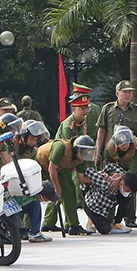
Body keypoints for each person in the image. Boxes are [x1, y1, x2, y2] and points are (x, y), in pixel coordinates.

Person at [96, 81, 137, 228]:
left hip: (135, 154)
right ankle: (112, 219)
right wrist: (97, 152)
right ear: (117, 93)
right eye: (124, 92)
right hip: (114, 154)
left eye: (130, 92)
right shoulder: (107, 109)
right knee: (113, 183)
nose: (128, 94)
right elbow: (101, 131)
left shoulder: (136, 110)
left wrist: (136, 143)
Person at [42, 94, 92, 233]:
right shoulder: (67, 126)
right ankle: (72, 224)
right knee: (66, 191)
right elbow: (69, 149)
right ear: (74, 108)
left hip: (69, 162)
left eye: (86, 108)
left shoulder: (82, 122)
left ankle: (48, 222)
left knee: (59, 191)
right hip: (60, 162)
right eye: (81, 108)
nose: (85, 111)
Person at [36, 134, 98, 236]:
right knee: (65, 193)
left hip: (59, 169)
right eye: (83, 151)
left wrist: (100, 180)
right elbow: (52, 168)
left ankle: (53, 223)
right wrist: (57, 188)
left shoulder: (81, 158)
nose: (85, 154)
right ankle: (74, 226)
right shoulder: (61, 147)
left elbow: (81, 178)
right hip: (42, 163)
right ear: (76, 149)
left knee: (71, 189)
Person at [104, 126, 137, 232]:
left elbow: (133, 171)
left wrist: (122, 179)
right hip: (120, 166)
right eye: (121, 143)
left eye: (126, 142)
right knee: (113, 187)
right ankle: (112, 220)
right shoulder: (109, 148)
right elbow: (108, 165)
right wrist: (114, 178)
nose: (124, 145)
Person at [82, 163, 137, 234]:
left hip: (103, 210)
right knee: (105, 230)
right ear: (122, 184)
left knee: (127, 198)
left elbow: (123, 174)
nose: (128, 192)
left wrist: (120, 177)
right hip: (92, 207)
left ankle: (117, 222)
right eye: (127, 190)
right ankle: (91, 220)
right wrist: (102, 173)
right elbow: (88, 171)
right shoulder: (105, 183)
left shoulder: (122, 182)